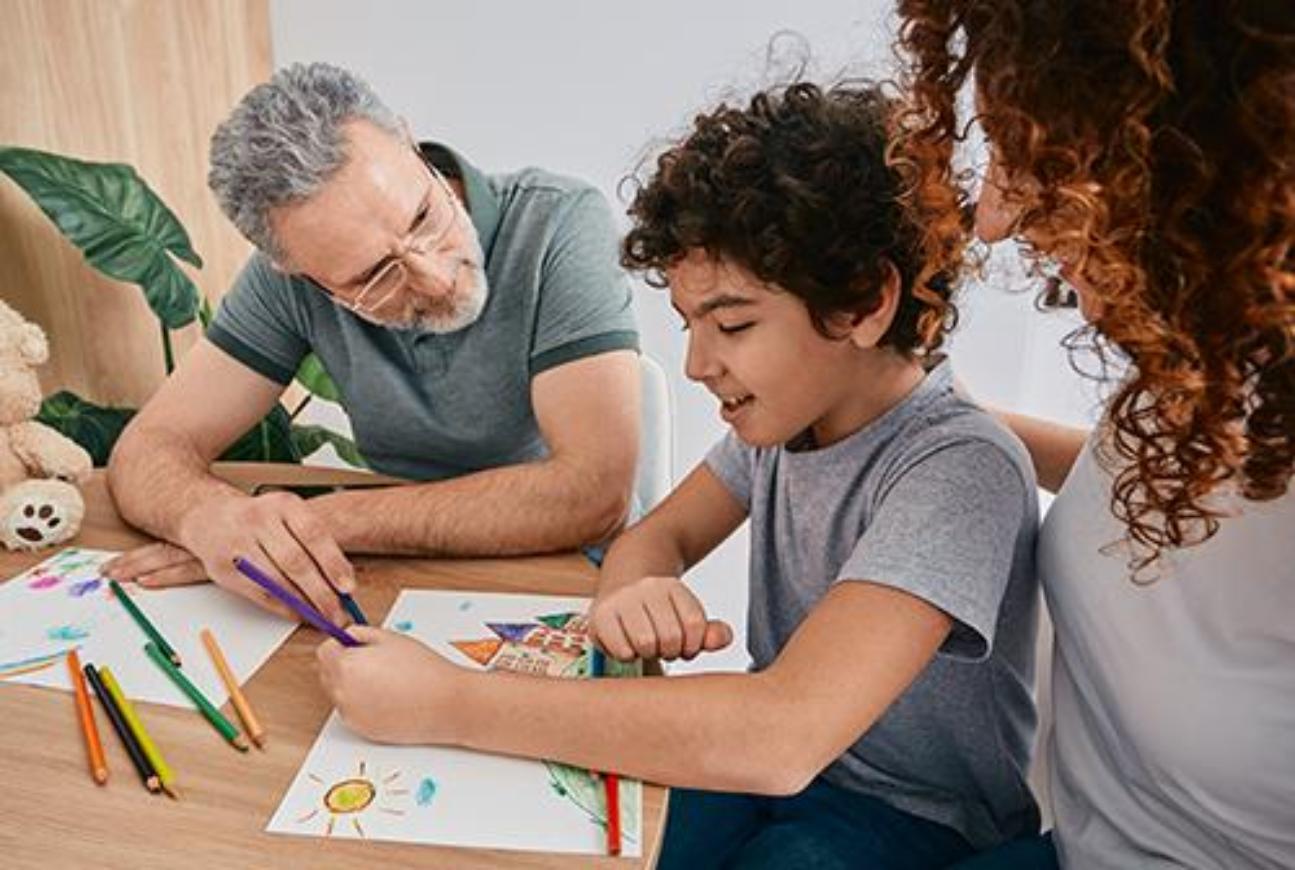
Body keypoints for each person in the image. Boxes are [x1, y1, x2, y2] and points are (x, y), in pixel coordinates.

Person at [315, 82, 1042, 869]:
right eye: (690, 325)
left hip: (911, 818)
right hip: (782, 782)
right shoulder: (786, 425)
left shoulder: (957, 469)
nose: (697, 364)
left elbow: (782, 734)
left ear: (864, 303)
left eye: (731, 324)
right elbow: (655, 534)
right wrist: (637, 586)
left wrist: (447, 703)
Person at [892, 2, 1295, 867]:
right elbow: (1192, 517)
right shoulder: (1211, 359)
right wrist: (930, 415)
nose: (993, 218)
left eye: (1031, 157)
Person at [104, 63, 641, 625]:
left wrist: (319, 525)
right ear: (299, 274)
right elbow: (149, 448)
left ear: (409, 144)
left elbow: (593, 493)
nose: (437, 278)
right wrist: (210, 519)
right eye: (374, 275)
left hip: (570, 579)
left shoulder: (558, 222)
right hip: (394, 580)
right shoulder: (287, 278)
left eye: (424, 217)